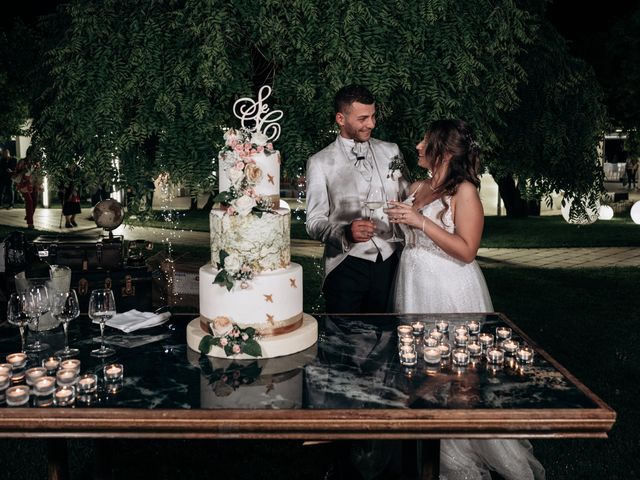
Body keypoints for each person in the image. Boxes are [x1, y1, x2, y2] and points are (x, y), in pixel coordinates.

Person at [388, 119, 545, 479]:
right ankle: (426, 447)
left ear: (442, 150)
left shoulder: (465, 192)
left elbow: (467, 250)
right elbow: (409, 234)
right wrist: (394, 219)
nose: (416, 146)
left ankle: (456, 457)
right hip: (413, 286)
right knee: (422, 373)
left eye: (423, 140)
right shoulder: (418, 186)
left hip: (448, 287)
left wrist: (419, 221)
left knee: (457, 375)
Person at [306, 84, 408, 314]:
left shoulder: (392, 151)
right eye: (363, 118)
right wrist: (344, 232)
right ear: (341, 119)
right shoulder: (319, 162)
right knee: (343, 337)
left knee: (384, 334)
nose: (371, 124)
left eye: (373, 116)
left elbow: (407, 199)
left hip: (390, 259)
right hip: (345, 265)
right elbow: (313, 222)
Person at [13, 148, 43, 229]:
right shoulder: (22, 162)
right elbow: (16, 172)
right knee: (29, 202)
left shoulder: (37, 163)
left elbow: (39, 174)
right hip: (24, 185)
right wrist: (24, 172)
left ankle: (29, 215)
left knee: (35, 202)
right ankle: (30, 223)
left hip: (34, 185)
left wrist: (39, 183)